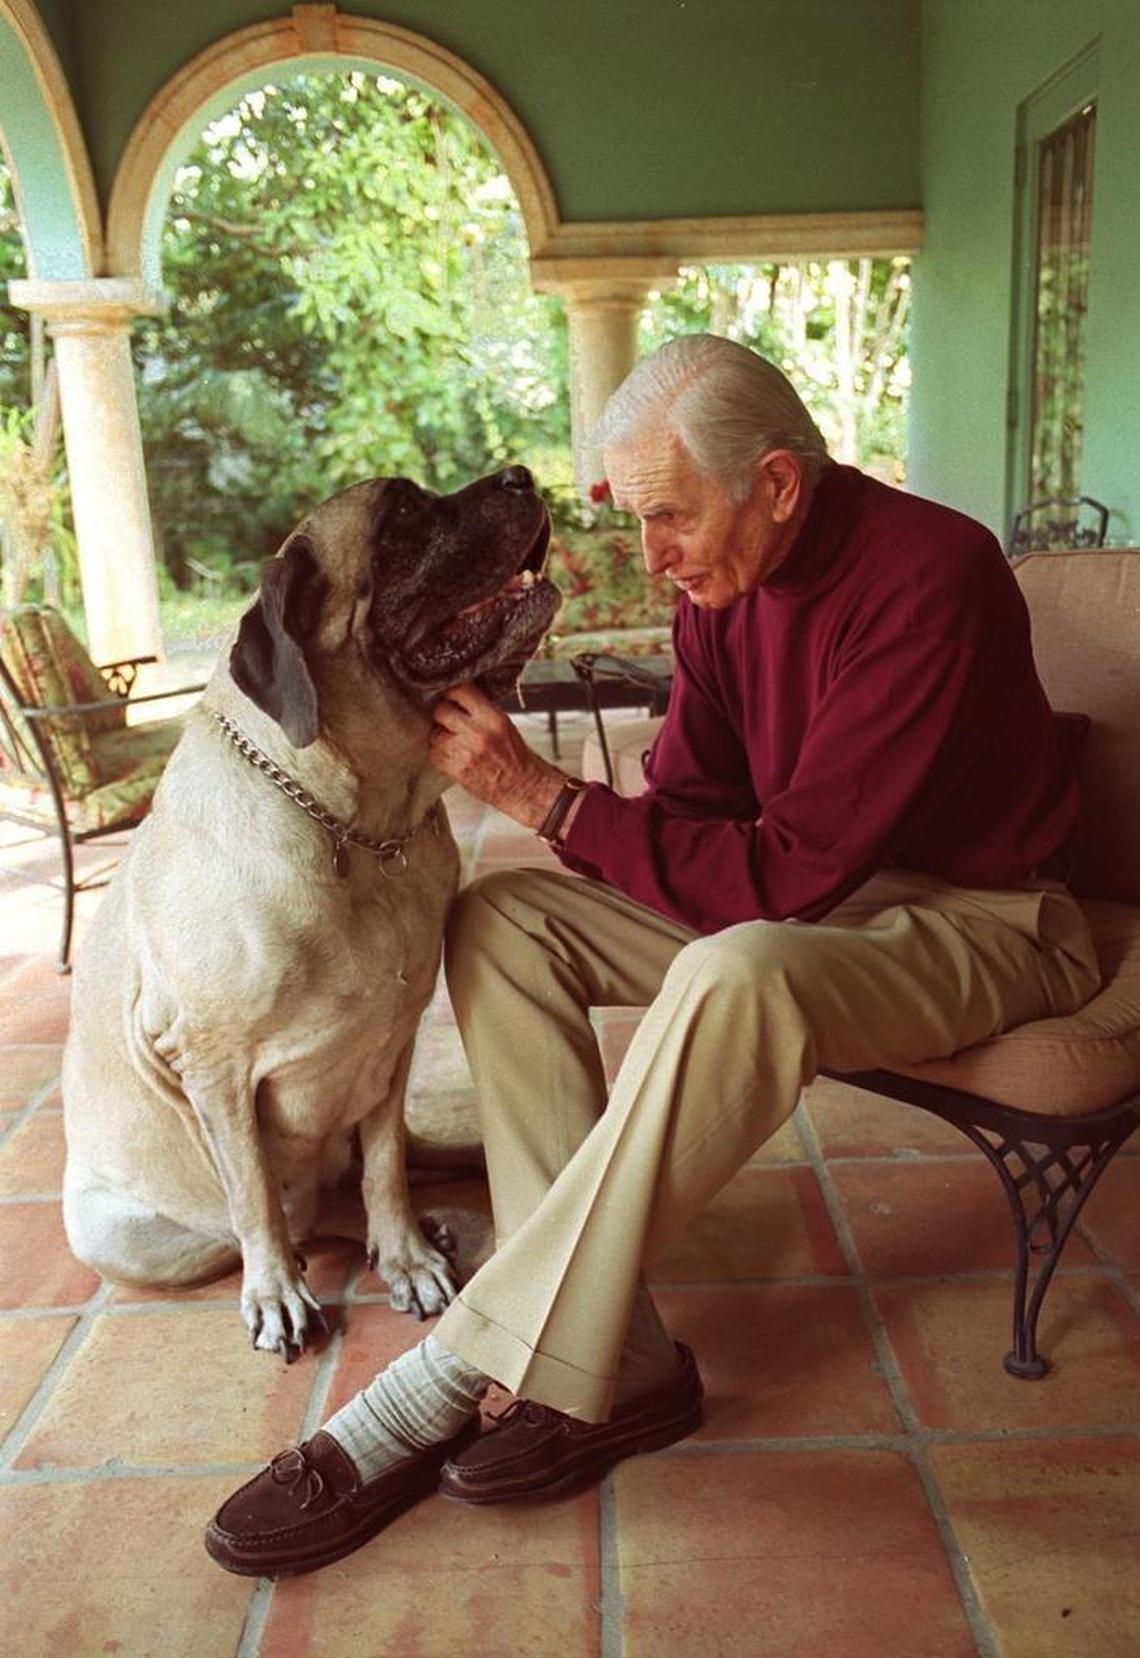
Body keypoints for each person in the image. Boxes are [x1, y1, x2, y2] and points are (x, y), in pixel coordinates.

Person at [204, 334, 1100, 1577]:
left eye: (672, 517)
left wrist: (552, 798)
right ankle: (617, 1365)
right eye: (635, 520)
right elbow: (691, 813)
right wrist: (568, 813)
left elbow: (787, 872)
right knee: (504, 918)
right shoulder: (724, 591)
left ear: (778, 483)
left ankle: (460, 1362)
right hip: (817, 898)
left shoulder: (930, 575)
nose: (653, 557)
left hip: (983, 918)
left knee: (736, 971)